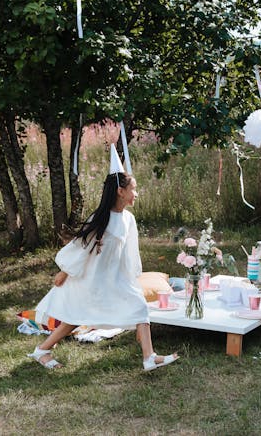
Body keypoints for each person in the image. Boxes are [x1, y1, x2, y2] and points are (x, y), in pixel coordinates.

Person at [30, 145, 179, 371]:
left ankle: (149, 357)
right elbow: (81, 246)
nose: (136, 193)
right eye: (134, 189)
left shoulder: (128, 219)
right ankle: (42, 350)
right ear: (120, 191)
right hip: (93, 277)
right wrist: (64, 272)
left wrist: (132, 277)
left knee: (139, 307)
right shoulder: (100, 218)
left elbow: (130, 252)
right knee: (75, 316)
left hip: (114, 277)